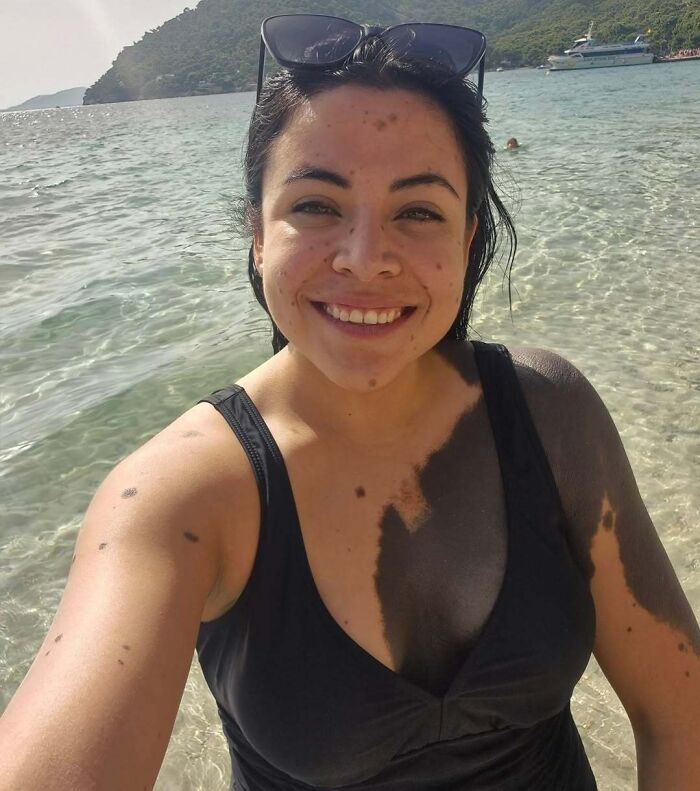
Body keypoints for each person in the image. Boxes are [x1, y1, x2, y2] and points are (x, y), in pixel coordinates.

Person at [1, 13, 699, 791]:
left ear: (467, 240)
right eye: (316, 206)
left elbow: (682, 715)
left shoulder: (547, 417)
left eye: (418, 211)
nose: (366, 260)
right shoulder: (184, 497)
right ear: (256, 233)